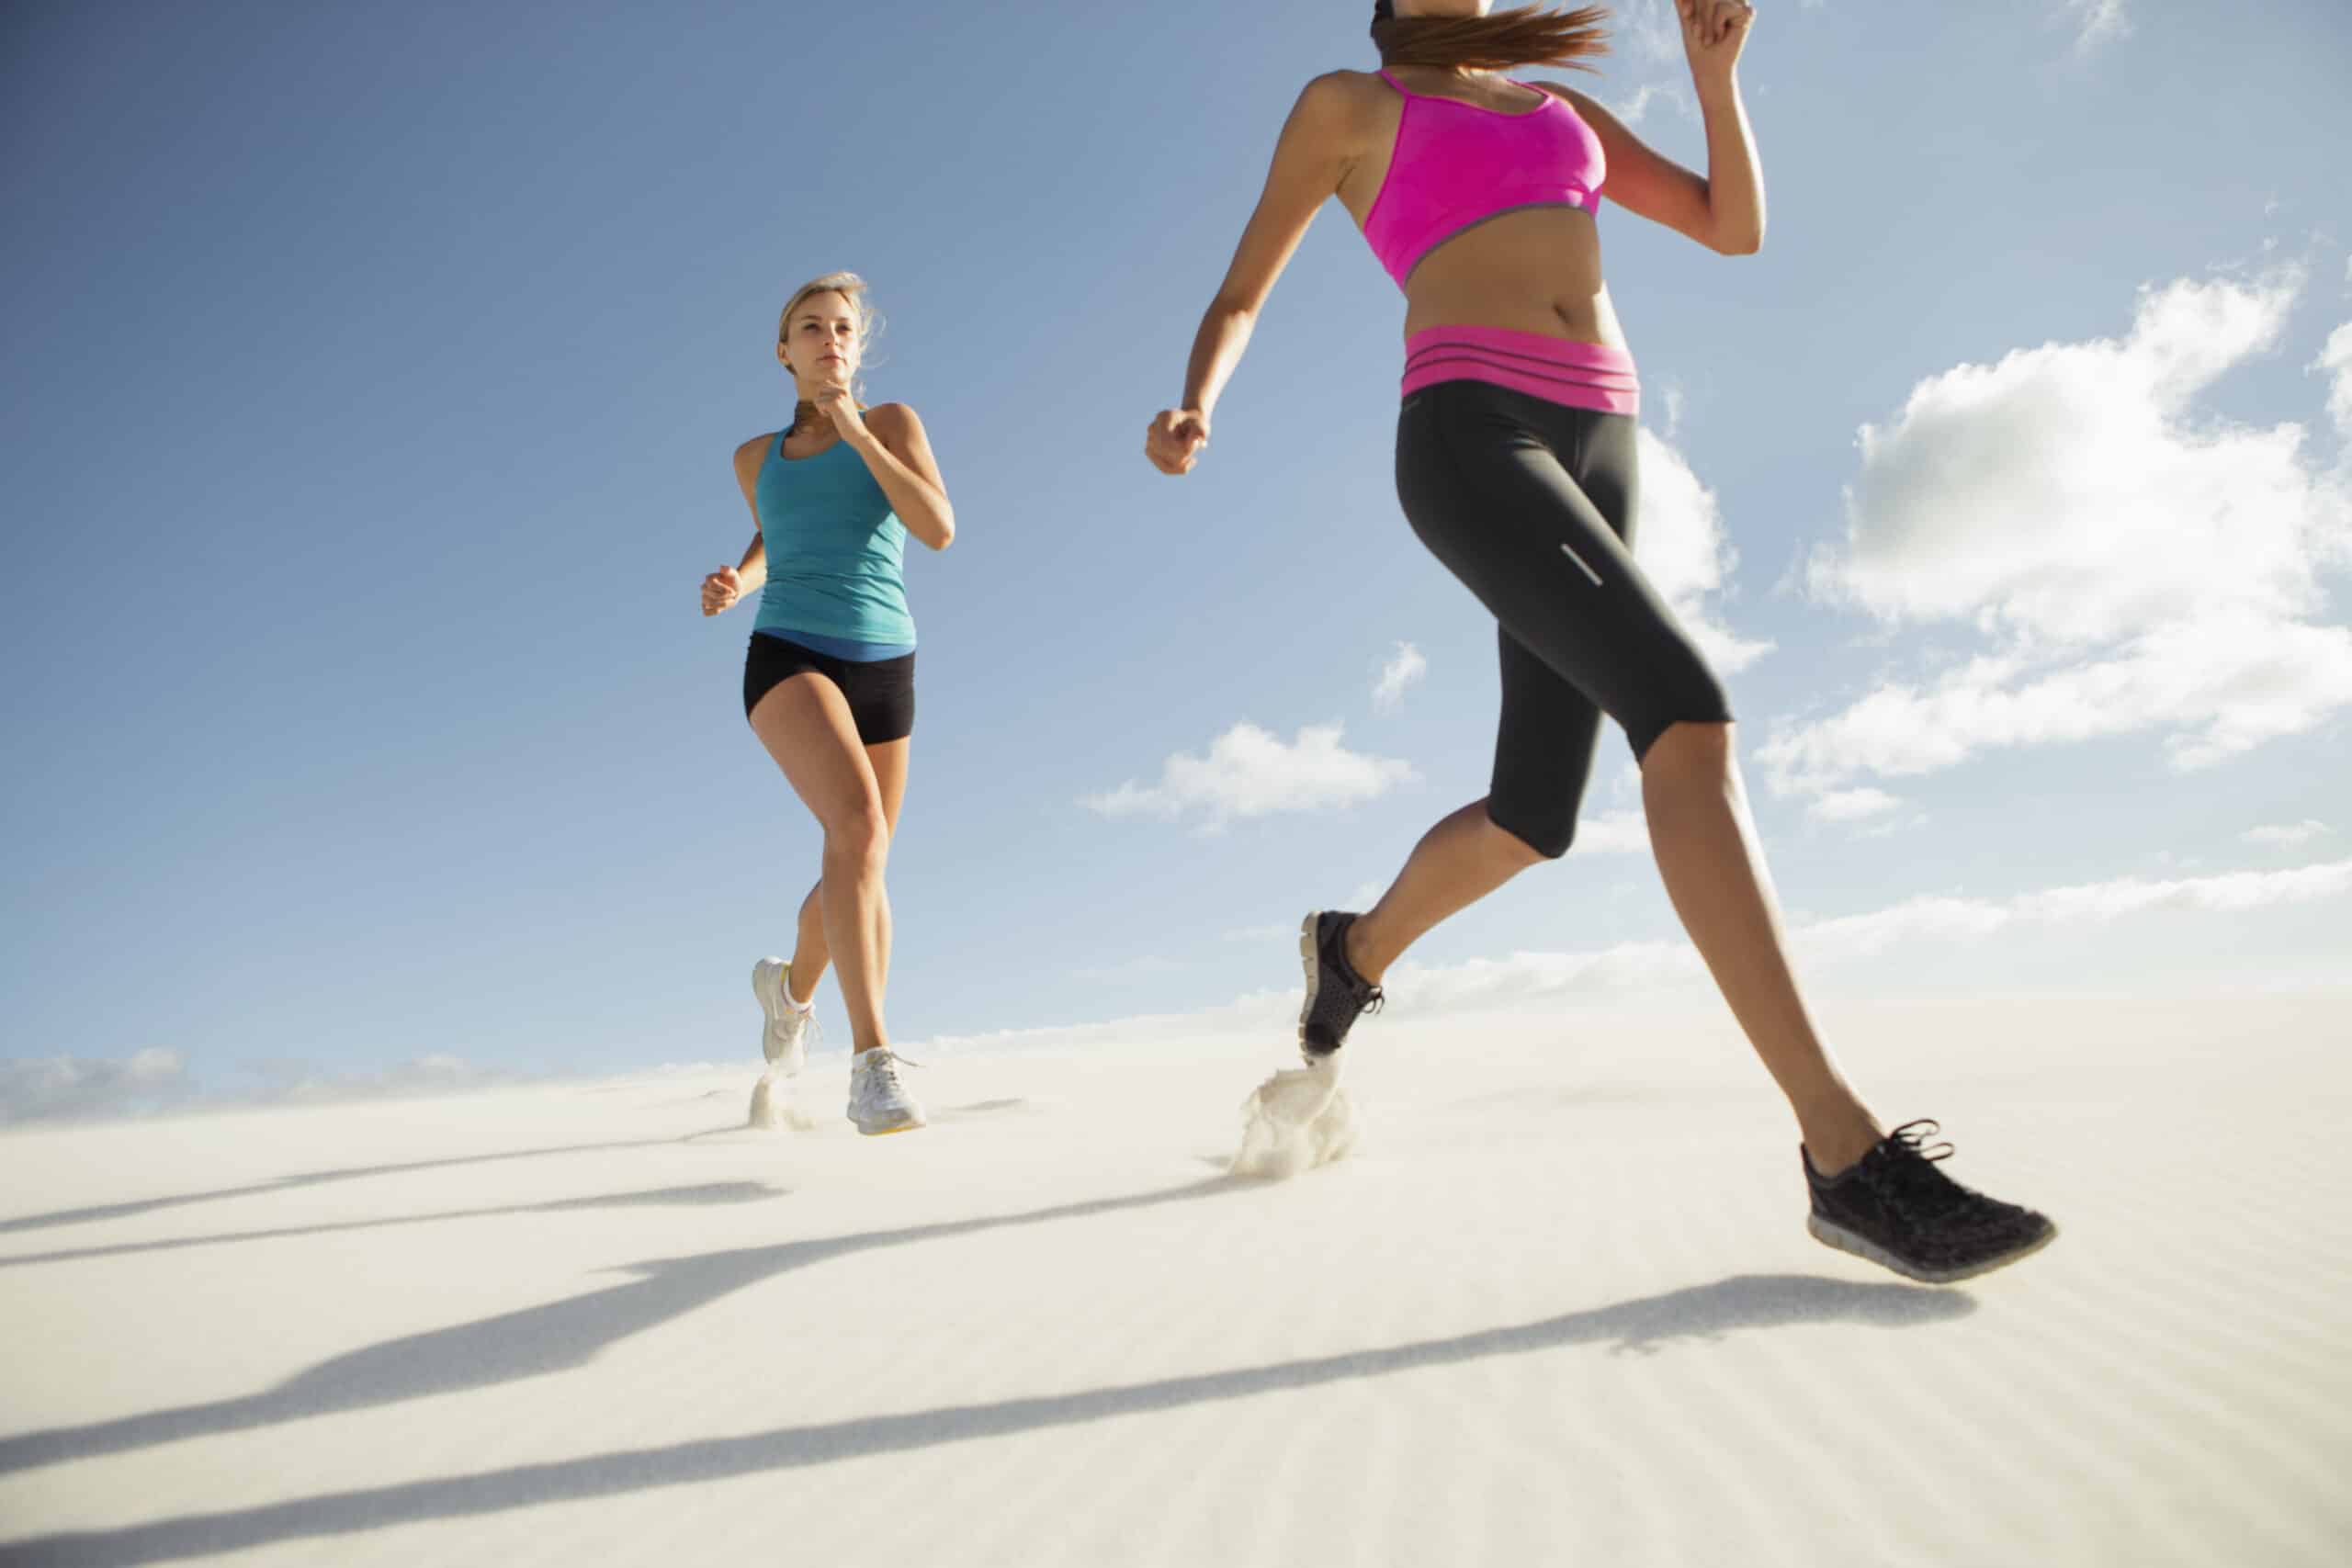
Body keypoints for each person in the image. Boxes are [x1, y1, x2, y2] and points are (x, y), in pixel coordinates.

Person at [1144, 2, 2053, 1281]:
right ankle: (1845, 1155)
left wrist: (1712, 78)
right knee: (1685, 711)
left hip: (1603, 442)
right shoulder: (1350, 105)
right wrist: (1196, 401)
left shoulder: (1561, 110)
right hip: (1472, 426)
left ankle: (1350, 951)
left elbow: (1730, 227)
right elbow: (1242, 291)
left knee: (1536, 815)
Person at [703, 270, 955, 1135]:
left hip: (886, 657)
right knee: (858, 828)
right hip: (788, 651)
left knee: (863, 859)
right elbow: (780, 532)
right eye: (810, 328)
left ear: (859, 344)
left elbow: (936, 526)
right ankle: (872, 1062)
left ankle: (789, 989)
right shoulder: (753, 457)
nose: (829, 339)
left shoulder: (892, 425)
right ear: (785, 352)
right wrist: (742, 578)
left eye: (843, 327)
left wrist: (857, 432)